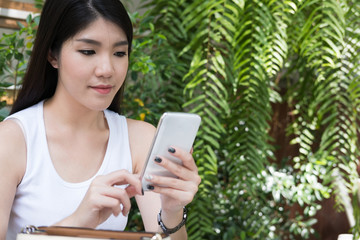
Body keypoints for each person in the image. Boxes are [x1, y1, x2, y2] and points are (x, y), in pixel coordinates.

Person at [0, 0, 201, 239]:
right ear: (53, 55)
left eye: (119, 53)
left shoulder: (139, 140)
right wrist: (78, 222)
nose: (107, 69)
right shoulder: (12, 140)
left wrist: (172, 211)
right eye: (88, 51)